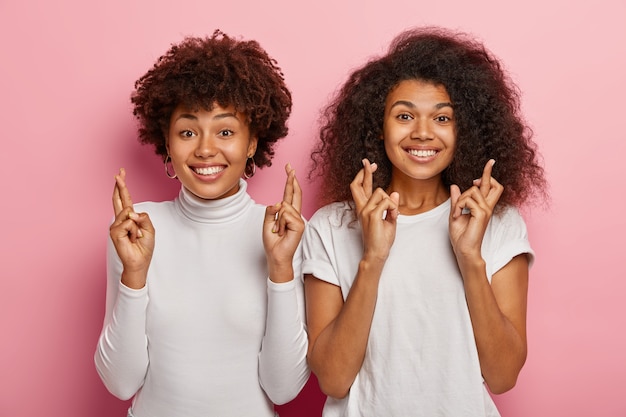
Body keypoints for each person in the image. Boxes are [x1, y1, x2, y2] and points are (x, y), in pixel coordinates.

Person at [303, 26, 547, 417]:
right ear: (376, 127)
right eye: (404, 116)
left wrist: (470, 258)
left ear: (463, 130)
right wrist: (372, 259)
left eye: (442, 118)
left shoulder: (497, 223)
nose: (421, 133)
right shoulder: (330, 228)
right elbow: (332, 379)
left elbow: (502, 377)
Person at [94, 31, 309, 417]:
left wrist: (280, 269)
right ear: (167, 142)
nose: (205, 149)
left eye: (225, 131)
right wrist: (135, 273)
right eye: (188, 131)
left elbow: (283, 389)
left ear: (252, 143)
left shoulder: (281, 233)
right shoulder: (137, 231)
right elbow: (120, 382)